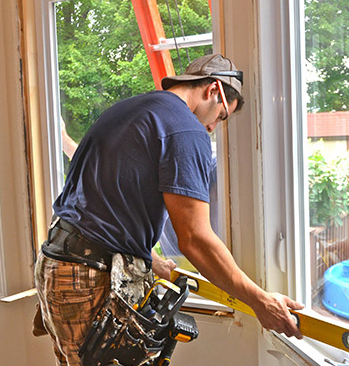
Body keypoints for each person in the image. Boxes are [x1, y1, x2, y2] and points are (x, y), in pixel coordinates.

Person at [35, 54, 304, 366]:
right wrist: (260, 301)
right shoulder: (185, 129)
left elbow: (101, 203)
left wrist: (149, 260)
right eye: (220, 116)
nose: (213, 127)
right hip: (90, 276)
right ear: (214, 89)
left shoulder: (131, 109)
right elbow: (195, 239)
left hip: (58, 264)